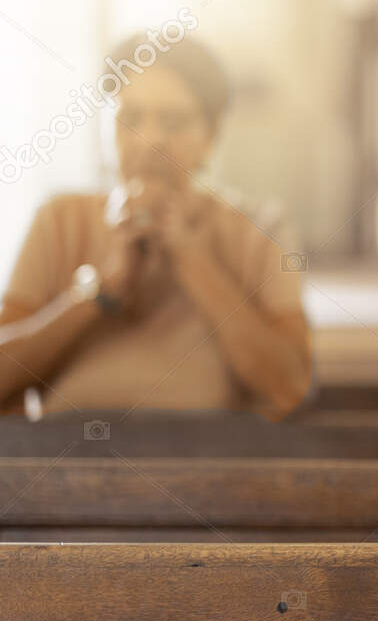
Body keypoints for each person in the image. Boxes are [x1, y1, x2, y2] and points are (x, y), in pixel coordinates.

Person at [0, 34, 312, 418]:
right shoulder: (59, 220)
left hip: (213, 470)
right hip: (64, 470)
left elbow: (290, 389)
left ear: (211, 137)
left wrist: (191, 257)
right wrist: (103, 290)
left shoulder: (259, 229)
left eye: (175, 121)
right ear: (105, 133)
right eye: (130, 119)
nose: (151, 141)